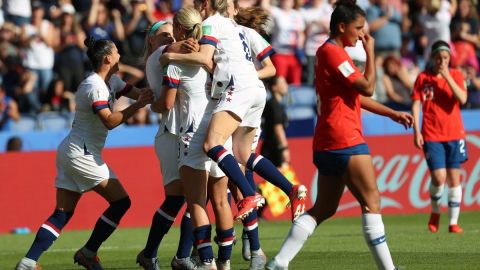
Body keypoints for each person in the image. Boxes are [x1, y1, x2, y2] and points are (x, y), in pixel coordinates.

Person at [266, 1, 413, 269]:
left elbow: (355, 96)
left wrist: (391, 113)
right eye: (358, 29)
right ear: (342, 27)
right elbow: (367, 88)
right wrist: (370, 52)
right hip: (345, 137)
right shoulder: (333, 53)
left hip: (326, 141)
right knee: (372, 202)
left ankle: (279, 261)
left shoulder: (333, 53)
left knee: (324, 208)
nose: (361, 34)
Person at [161, 0, 306, 224]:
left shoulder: (210, 23)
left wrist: (170, 56)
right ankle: (291, 189)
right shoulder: (241, 30)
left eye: (200, 3)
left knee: (211, 144)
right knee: (242, 153)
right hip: (257, 90)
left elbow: (204, 58)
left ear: (207, 4)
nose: (198, 8)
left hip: (238, 89)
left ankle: (249, 194)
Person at [15, 37, 154, 270]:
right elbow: (109, 121)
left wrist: (160, 90)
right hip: (82, 153)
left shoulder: (112, 82)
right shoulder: (94, 86)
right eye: (118, 52)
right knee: (121, 203)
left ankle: (28, 262)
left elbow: (141, 92)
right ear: (108, 58)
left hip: (73, 150)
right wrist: (138, 105)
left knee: (62, 214)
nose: (121, 55)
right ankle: (88, 253)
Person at [136, 20, 198, 270]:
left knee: (190, 198)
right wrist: (197, 38)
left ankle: (176, 256)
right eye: (163, 35)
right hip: (171, 132)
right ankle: (158, 254)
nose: (170, 39)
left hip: (183, 131)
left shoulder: (172, 56)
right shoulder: (157, 58)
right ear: (151, 40)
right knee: (180, 199)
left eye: (173, 34)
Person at [411, 40, 468, 234]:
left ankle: (453, 222)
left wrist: (446, 77)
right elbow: (416, 105)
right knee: (439, 176)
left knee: (454, 177)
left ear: (450, 58)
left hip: (455, 133)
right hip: (431, 133)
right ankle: (435, 211)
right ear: (432, 58)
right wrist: (416, 131)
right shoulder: (422, 78)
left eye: (445, 58)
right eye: (438, 58)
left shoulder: (457, 75)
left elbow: (462, 99)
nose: (442, 61)